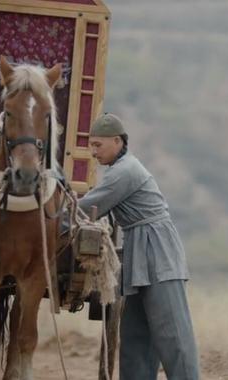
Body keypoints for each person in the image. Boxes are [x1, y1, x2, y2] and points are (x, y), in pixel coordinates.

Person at [78, 113, 200, 379]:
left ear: (117, 142)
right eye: (92, 145)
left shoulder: (125, 171)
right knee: (135, 336)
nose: (93, 151)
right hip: (137, 249)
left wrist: (50, 210)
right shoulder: (119, 171)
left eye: (98, 145)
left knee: (173, 334)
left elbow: (86, 208)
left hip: (158, 248)